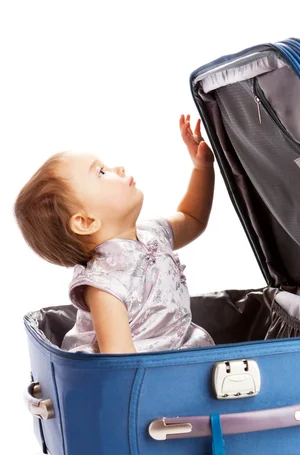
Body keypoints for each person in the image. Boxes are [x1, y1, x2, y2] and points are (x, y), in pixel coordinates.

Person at [14, 114, 216, 354]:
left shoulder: (152, 233)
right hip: (139, 373)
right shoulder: (104, 283)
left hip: (175, 352)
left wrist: (201, 168)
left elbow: (193, 218)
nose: (118, 168)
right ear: (86, 221)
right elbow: (119, 361)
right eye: (101, 172)